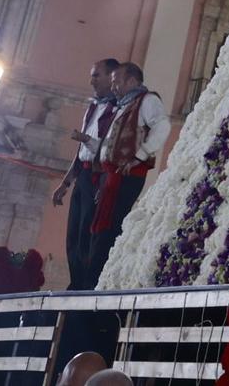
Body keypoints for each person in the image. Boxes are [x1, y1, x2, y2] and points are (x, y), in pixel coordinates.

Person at [86, 61, 169, 282]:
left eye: (117, 82)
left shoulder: (147, 101)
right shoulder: (124, 104)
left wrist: (140, 155)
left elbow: (162, 126)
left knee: (109, 232)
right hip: (109, 177)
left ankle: (97, 280)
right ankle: (92, 278)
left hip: (124, 177)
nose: (113, 87)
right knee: (98, 233)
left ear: (132, 81)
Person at [52, 59, 120, 289]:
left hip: (98, 177)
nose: (91, 81)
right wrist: (66, 182)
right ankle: (75, 281)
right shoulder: (93, 107)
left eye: (96, 75)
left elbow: (111, 147)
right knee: (72, 234)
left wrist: (86, 141)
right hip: (83, 174)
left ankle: (84, 285)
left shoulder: (117, 109)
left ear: (111, 77)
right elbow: (80, 151)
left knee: (87, 234)